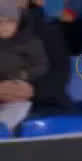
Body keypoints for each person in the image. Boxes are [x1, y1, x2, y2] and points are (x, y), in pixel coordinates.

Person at [0, 0, 47, 131]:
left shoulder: (30, 42)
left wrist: (24, 76)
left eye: (9, 21)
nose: (4, 26)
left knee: (17, 110)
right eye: (0, 22)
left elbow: (41, 66)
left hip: (18, 92)